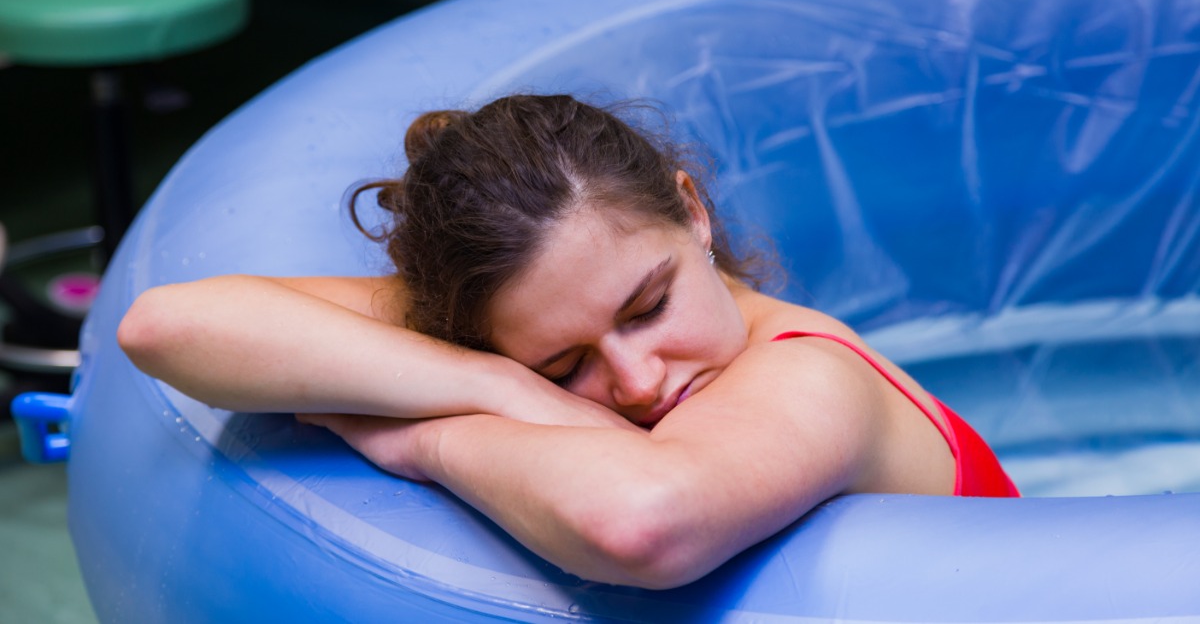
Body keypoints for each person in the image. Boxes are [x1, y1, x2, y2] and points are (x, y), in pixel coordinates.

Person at [117, 94, 1018, 590]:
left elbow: (638, 525)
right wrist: (506, 391)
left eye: (647, 308)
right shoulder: (514, 340)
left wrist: (426, 436)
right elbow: (167, 327)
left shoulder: (812, 377)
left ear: (694, 211)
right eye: (565, 362)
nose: (635, 380)